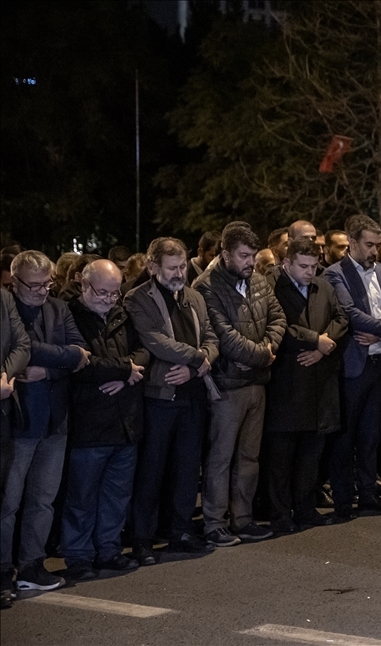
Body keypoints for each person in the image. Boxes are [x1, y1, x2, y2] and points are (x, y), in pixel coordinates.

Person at [124, 237, 220, 565]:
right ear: (152, 267)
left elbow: (210, 335)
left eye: (182, 266)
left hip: (192, 395)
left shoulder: (193, 296)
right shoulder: (138, 299)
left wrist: (200, 363)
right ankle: (143, 539)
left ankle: (180, 532)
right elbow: (155, 341)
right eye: (172, 268)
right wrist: (199, 359)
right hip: (159, 396)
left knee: (186, 468)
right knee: (152, 470)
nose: (180, 273)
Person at [2, 251, 89, 594]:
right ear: (15, 280)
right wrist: (64, 357)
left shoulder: (58, 308)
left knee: (43, 499)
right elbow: (24, 348)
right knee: (8, 503)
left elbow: (81, 352)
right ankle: (2, 569)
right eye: (34, 285)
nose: (41, 291)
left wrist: (47, 368)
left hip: (56, 419)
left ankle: (31, 565)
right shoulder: (7, 309)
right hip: (19, 421)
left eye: (47, 283)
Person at [194, 224, 286, 546]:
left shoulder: (258, 281)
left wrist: (266, 352)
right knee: (220, 458)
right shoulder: (207, 286)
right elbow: (222, 335)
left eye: (251, 255)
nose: (250, 262)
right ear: (225, 254)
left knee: (249, 457)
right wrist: (265, 355)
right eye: (243, 256)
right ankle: (214, 523)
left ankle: (243, 519)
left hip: (256, 382)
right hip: (227, 386)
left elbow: (278, 318)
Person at [62, 260, 149, 581]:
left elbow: (144, 352)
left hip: (126, 421)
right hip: (89, 422)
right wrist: (125, 370)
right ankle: (79, 556)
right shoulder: (69, 316)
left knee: (116, 494)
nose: (110, 299)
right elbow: (81, 363)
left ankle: (108, 550)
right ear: (84, 285)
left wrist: (126, 374)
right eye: (103, 292)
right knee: (82, 497)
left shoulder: (122, 313)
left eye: (115, 293)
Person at [261, 238, 347, 533]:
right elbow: (277, 325)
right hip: (287, 381)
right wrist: (314, 339)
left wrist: (324, 345)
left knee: (311, 453)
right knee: (281, 457)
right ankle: (281, 512)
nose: (310, 272)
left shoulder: (323, 286)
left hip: (319, 382)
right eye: (304, 266)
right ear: (288, 263)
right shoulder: (274, 287)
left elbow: (341, 316)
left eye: (314, 266)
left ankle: (306, 506)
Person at [325, 215, 381, 517]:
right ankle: (344, 499)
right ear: (352, 241)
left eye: (377, 244)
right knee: (345, 436)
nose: (374, 250)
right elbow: (351, 313)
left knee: (371, 434)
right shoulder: (336, 274)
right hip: (353, 366)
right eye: (369, 245)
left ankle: (368, 494)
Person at [0, 288, 31, 608]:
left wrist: (4, 375)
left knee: (3, 498)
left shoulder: (3, 299)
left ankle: (1, 574)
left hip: (5, 410)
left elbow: (22, 344)